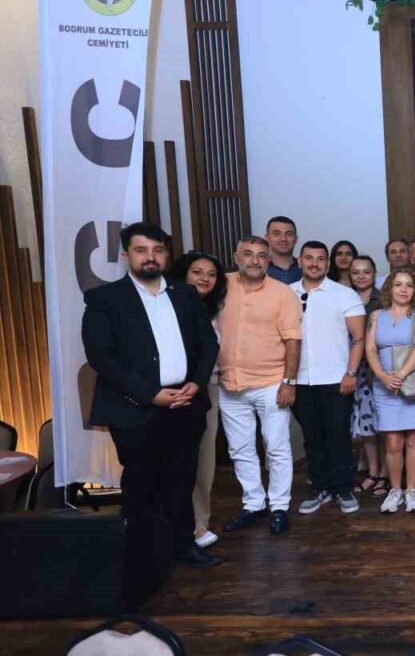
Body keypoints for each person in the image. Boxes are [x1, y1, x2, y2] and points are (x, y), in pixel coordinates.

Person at [82, 223, 222, 610]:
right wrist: (149, 394)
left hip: (186, 402)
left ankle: (182, 545)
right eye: (141, 250)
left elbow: (208, 342)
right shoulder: (105, 299)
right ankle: (142, 558)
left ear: (166, 255)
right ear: (126, 254)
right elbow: (101, 357)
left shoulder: (185, 294)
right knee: (143, 482)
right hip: (136, 407)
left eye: (158, 250)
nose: (150, 257)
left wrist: (196, 383)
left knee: (182, 478)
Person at [219, 236, 303, 536]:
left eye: (261, 255)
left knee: (277, 448)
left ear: (269, 260)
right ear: (236, 257)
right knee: (240, 449)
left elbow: (293, 341)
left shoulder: (283, 294)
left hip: (271, 383)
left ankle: (279, 506)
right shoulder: (221, 285)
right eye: (248, 254)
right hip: (230, 384)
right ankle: (253, 503)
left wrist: (288, 382)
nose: (255, 261)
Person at [289, 242, 367, 516]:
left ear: (328, 263)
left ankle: (343, 488)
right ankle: (319, 487)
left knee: (338, 437)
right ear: (300, 261)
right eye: (309, 258)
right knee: (312, 438)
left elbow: (359, 338)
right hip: (300, 380)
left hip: (336, 379)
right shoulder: (286, 293)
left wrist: (350, 372)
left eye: (320, 259)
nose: (314, 263)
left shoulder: (344, 294)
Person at [367, 269, 415, 513]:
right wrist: (382, 376)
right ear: (390, 288)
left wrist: (399, 375)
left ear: (414, 290)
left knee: (414, 439)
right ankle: (395, 490)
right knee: (393, 442)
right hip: (384, 386)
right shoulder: (376, 315)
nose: (403, 289)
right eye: (398, 284)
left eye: (409, 285)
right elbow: (370, 350)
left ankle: (411, 490)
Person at [169, 250, 228, 549]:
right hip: (170, 393)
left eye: (211, 274)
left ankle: (198, 523)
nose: (205, 278)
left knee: (203, 462)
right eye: (197, 272)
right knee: (172, 462)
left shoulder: (214, 309)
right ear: (184, 274)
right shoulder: (167, 306)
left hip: (208, 390)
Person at [348, 255, 385, 496]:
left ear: (374, 273)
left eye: (366, 271)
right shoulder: (343, 297)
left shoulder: (384, 299)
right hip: (355, 369)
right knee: (366, 425)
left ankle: (385, 475)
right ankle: (373, 473)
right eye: (356, 272)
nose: (361, 276)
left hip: (380, 368)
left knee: (385, 425)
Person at [265, 216, 302, 284]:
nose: (283, 239)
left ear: (296, 239)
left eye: (289, 234)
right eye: (276, 234)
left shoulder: (307, 269)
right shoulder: (259, 270)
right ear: (267, 238)